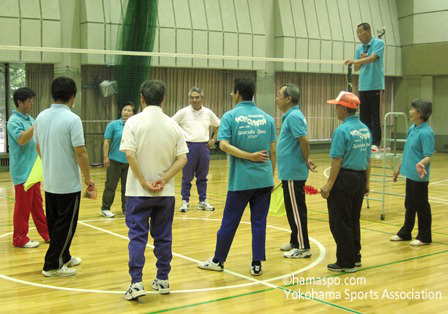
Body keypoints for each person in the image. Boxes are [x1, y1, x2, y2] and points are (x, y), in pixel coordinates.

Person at [198, 78, 276, 276]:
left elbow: (223, 145)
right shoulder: (268, 119)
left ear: (238, 93)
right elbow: (273, 150)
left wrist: (249, 156)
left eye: (233, 93)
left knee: (230, 222)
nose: (232, 96)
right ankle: (257, 263)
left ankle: (218, 260)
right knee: (259, 222)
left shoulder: (230, 116)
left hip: (241, 182)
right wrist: (271, 176)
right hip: (264, 180)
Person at [121, 80, 188, 301]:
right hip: (165, 194)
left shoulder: (133, 122)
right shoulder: (174, 125)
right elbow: (182, 159)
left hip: (137, 193)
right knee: (163, 237)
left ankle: (136, 283)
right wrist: (163, 179)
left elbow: (130, 154)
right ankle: (162, 279)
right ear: (163, 98)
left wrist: (143, 181)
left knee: (137, 237)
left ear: (141, 98)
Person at [34, 77, 95, 277]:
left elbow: (38, 145)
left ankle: (64, 256)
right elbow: (81, 152)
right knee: (65, 225)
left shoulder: (41, 116)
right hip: (68, 183)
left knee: (55, 223)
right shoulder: (72, 119)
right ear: (73, 96)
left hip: (50, 181)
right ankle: (52, 265)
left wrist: (50, 163)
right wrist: (88, 178)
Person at [320, 91, 371, 273]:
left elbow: (337, 160)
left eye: (336, 106)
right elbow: (368, 158)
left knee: (339, 221)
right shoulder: (365, 129)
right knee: (353, 219)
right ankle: (355, 255)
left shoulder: (341, 131)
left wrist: (328, 185)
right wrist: (367, 182)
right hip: (359, 178)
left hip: (344, 179)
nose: (335, 109)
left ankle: (345, 261)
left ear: (343, 108)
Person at [275, 84, 316, 259]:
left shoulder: (294, 116)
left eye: (279, 95)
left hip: (293, 171)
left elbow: (304, 140)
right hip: (289, 171)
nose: (276, 98)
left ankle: (303, 246)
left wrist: (306, 159)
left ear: (288, 98)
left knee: (297, 210)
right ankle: (295, 240)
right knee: (292, 209)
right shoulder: (291, 115)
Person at [7, 87, 49, 248]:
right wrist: (37, 124)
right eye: (29, 100)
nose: (32, 103)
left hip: (34, 171)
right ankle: (19, 238)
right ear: (20, 102)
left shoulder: (31, 119)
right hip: (22, 172)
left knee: (37, 206)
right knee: (23, 208)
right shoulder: (13, 121)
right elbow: (22, 139)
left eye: (33, 100)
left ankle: (47, 234)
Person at [391, 99, 434, 246]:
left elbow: (428, 155)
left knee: (421, 205)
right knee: (409, 204)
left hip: (419, 176)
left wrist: (421, 163)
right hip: (409, 173)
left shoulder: (426, 133)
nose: (410, 111)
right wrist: (399, 167)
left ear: (420, 113)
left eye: (412, 109)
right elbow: (407, 150)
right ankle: (405, 232)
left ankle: (424, 236)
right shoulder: (412, 128)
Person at [172, 87, 220, 212]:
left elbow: (219, 125)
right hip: (188, 148)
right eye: (192, 97)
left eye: (197, 97)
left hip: (204, 148)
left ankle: (202, 201)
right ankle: (185, 202)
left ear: (202, 98)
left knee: (202, 177)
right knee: (187, 177)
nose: (194, 100)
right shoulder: (183, 112)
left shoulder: (208, 113)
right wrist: (179, 142)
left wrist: (213, 139)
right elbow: (171, 124)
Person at [345, 22, 385, 152]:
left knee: (375, 115)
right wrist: (357, 61)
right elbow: (356, 68)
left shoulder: (378, 43)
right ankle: (366, 140)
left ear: (368, 32)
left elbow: (373, 58)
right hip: (363, 86)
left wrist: (356, 60)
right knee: (364, 116)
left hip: (375, 85)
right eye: (357, 34)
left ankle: (376, 142)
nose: (359, 36)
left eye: (361, 33)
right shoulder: (359, 48)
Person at [100, 102, 136, 218]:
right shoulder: (113, 125)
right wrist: (106, 157)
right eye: (124, 110)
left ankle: (126, 209)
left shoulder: (135, 126)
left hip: (129, 162)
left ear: (133, 113)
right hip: (114, 161)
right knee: (110, 186)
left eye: (129, 110)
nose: (126, 112)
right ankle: (105, 208)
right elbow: (107, 142)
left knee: (127, 187)